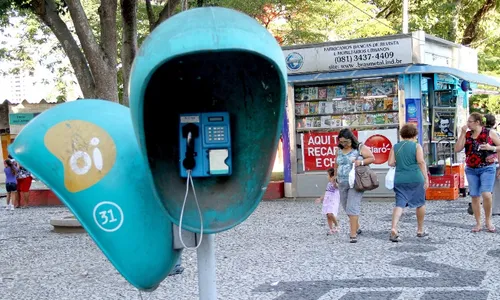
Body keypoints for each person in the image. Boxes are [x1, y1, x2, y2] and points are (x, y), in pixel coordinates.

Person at [455, 112, 500, 233]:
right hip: (471, 169)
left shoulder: (489, 133)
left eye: (470, 121)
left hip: (487, 167)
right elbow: (457, 149)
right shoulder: (467, 134)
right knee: (474, 196)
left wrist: (492, 148)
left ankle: (488, 220)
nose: (467, 124)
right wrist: (462, 133)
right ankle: (478, 223)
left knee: (486, 194)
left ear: (477, 122)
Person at [387, 123, 429, 242]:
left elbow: (390, 162)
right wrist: (426, 178)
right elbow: (421, 162)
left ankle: (394, 228)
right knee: (420, 203)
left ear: (402, 134)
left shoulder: (395, 146)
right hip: (415, 178)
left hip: (400, 179)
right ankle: (420, 229)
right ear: (415, 134)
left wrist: (400, 163)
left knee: (399, 204)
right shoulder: (417, 146)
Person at [334, 128, 375, 243]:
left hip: (355, 182)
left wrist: (360, 162)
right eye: (341, 142)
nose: (344, 144)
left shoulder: (360, 148)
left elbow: (372, 158)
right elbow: (336, 163)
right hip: (342, 182)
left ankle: (353, 235)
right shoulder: (338, 150)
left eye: (346, 142)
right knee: (346, 206)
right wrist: (335, 177)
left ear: (351, 139)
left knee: (352, 206)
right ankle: (356, 226)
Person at [315, 168, 340, 235]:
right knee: (327, 215)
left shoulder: (335, 183)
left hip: (333, 200)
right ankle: (331, 229)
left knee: (330, 213)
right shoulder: (328, 184)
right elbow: (326, 192)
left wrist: (334, 181)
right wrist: (320, 199)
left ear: (331, 176)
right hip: (327, 200)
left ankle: (337, 225)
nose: (327, 176)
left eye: (328, 175)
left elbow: (337, 186)